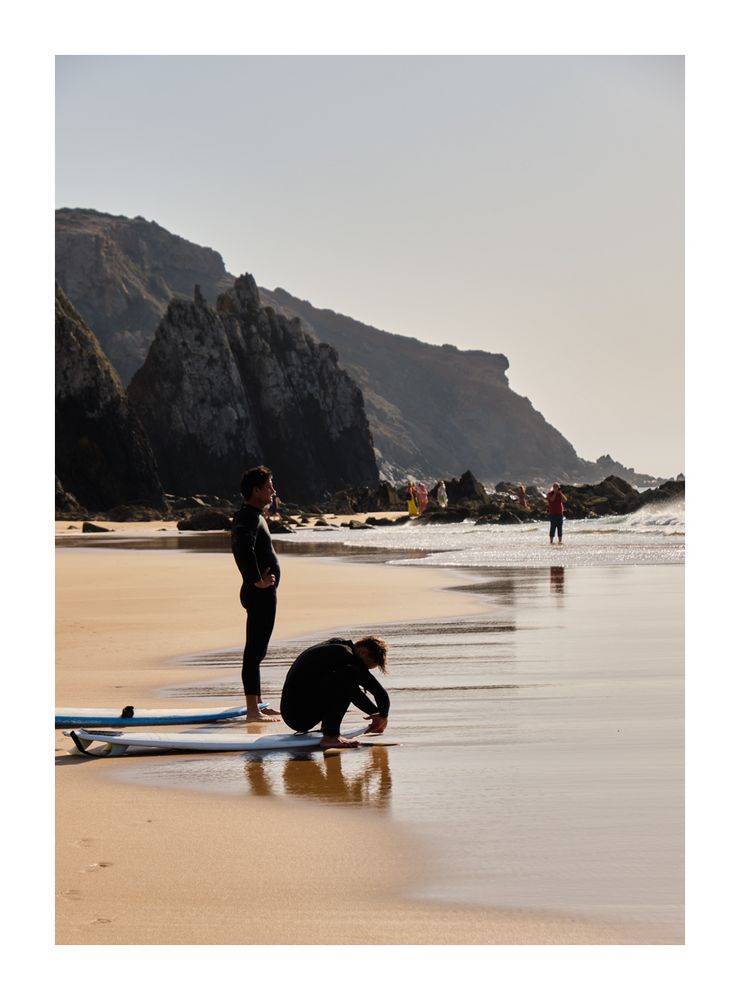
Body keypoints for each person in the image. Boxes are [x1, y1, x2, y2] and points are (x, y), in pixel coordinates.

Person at [231, 465, 282, 721]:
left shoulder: (254, 514)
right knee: (253, 652)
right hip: (259, 594)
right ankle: (252, 712)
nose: (273, 490)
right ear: (256, 490)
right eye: (269, 486)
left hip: (262, 593)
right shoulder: (248, 517)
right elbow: (242, 547)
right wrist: (255, 581)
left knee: (258, 651)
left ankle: (258, 704)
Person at [280, 636, 390, 749]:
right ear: (362, 652)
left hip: (294, 710)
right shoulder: (345, 655)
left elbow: (352, 692)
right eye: (366, 667)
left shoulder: (337, 647)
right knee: (349, 675)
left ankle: (328, 730)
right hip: (300, 716)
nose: (364, 670)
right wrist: (383, 716)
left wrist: (375, 713)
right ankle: (330, 737)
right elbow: (379, 692)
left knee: (345, 678)